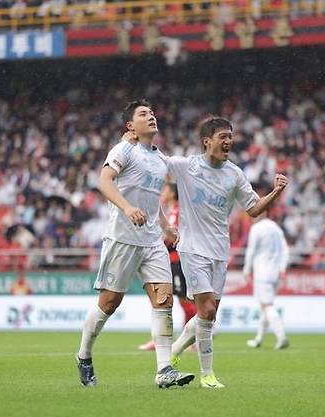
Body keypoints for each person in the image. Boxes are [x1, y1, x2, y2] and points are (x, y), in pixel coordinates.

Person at [76, 99, 194, 388]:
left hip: (152, 240)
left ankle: (164, 369)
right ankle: (84, 355)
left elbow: (152, 199)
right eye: (143, 114)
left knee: (163, 300)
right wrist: (127, 208)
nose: (151, 116)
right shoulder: (123, 149)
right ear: (130, 125)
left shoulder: (159, 158)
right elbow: (104, 182)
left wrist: (166, 226)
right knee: (109, 303)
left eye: (152, 112)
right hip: (122, 238)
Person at [167, 117, 288, 388]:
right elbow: (155, 164)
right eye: (222, 136)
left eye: (230, 136)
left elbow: (254, 209)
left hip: (220, 252)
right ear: (206, 141)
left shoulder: (234, 173)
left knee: (207, 315)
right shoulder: (186, 166)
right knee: (207, 310)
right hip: (192, 249)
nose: (228, 141)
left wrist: (276, 191)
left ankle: (174, 351)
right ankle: (207, 375)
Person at [138, 182, 197, 351]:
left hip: (176, 260)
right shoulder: (171, 211)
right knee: (165, 300)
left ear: (173, 193)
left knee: (183, 300)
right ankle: (165, 339)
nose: (162, 192)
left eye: (165, 190)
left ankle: (194, 336)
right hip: (170, 261)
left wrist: (155, 242)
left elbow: (173, 237)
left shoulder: (177, 211)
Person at [243, 212, 290, 350]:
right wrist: (282, 268)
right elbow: (285, 250)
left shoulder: (256, 228)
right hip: (275, 273)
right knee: (266, 306)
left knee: (267, 305)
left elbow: (251, 251)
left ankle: (281, 337)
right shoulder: (276, 227)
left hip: (262, 272)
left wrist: (246, 270)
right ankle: (259, 338)